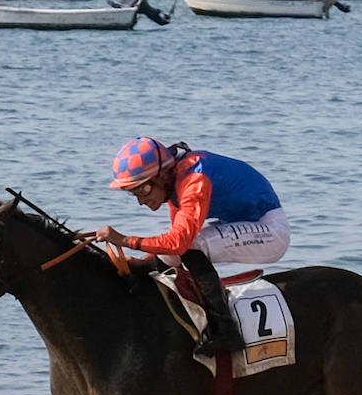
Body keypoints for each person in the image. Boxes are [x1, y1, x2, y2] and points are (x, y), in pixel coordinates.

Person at [94, 137, 290, 355]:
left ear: (161, 175)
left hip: (270, 230)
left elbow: (179, 243)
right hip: (242, 222)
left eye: (144, 190)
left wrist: (125, 240)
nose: (141, 201)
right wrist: (138, 263)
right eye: (134, 194)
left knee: (191, 247)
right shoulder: (173, 182)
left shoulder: (194, 179)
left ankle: (225, 330)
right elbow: (171, 247)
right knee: (170, 257)